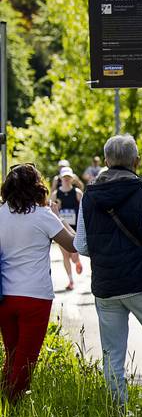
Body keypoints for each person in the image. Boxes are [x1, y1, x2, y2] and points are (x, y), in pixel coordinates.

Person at [74, 134, 142, 405]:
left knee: (112, 354)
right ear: (136, 162)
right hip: (140, 285)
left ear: (106, 161)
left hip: (105, 287)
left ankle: (118, 414)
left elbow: (81, 244)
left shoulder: (89, 196)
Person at [0, 164, 77, 401]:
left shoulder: (0, 213)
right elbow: (73, 244)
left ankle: (5, 401)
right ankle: (12, 404)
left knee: (12, 355)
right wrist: (56, 217)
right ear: (37, 187)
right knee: (26, 358)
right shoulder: (43, 215)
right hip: (35, 296)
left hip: (4, 297)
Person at [50, 168, 84, 290]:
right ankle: (70, 280)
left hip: (75, 229)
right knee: (65, 255)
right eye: (64, 177)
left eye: (68, 177)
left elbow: (85, 210)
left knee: (73, 256)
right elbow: (50, 211)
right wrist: (56, 208)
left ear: (72, 178)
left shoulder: (77, 192)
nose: (66, 179)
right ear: (61, 178)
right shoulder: (55, 194)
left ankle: (77, 261)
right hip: (61, 228)